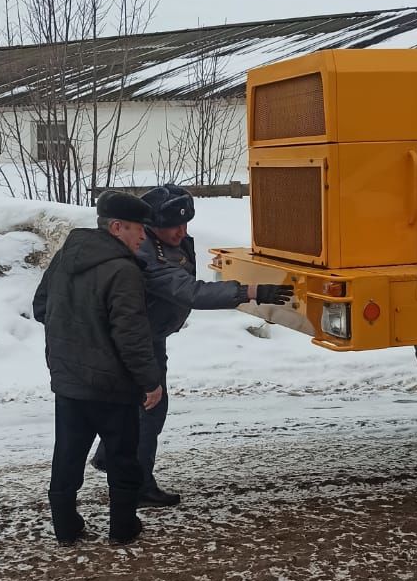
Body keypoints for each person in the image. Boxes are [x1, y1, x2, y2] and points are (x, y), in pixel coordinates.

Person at [91, 183, 293, 506]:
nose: (181, 232)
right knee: (151, 409)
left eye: (186, 224)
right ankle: (138, 484)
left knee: (135, 406)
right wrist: (250, 292)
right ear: (153, 225)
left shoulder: (168, 240)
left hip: (148, 334)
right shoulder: (147, 254)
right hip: (139, 340)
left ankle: (109, 458)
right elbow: (191, 293)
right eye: (174, 226)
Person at [32, 189, 163, 545]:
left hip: (69, 382)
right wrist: (151, 382)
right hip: (113, 388)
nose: (143, 237)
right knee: (122, 459)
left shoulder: (66, 257)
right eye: (139, 229)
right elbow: (131, 337)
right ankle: (122, 528)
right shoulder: (124, 270)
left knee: (68, 457)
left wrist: (73, 340)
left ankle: (65, 528)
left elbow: (41, 308)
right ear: (117, 227)